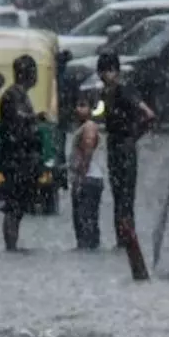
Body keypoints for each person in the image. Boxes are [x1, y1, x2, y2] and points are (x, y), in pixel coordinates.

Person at [97, 52, 155, 256]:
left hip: (124, 147)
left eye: (108, 71)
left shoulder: (124, 91)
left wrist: (133, 135)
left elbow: (148, 114)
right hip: (115, 145)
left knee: (125, 196)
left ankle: (128, 240)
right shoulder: (106, 93)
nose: (105, 76)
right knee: (118, 195)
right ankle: (122, 240)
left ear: (116, 71)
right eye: (102, 72)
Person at [0, 55, 47, 252]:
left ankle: (13, 245)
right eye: (33, 72)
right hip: (15, 160)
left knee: (18, 207)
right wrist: (35, 118)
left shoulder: (22, 95)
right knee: (13, 206)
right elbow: (18, 120)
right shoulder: (12, 96)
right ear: (26, 74)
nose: (36, 77)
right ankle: (11, 246)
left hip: (22, 159)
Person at [68, 93, 107, 250]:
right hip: (88, 179)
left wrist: (80, 178)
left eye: (83, 105)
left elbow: (88, 151)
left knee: (85, 222)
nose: (78, 109)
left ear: (91, 109)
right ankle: (89, 249)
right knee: (86, 221)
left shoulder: (89, 127)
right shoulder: (83, 127)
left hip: (88, 180)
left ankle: (88, 249)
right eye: (77, 105)